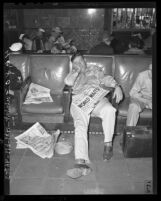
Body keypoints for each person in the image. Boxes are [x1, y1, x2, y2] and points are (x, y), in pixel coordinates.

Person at [64, 52, 123, 179]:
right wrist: (75, 71)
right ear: (72, 64)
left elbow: (106, 78)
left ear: (85, 61)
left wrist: (116, 86)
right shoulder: (72, 74)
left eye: (80, 61)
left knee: (110, 110)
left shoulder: (94, 69)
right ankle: (81, 162)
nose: (79, 64)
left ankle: (108, 145)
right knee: (80, 125)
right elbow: (68, 82)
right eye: (75, 62)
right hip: (79, 102)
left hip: (96, 98)